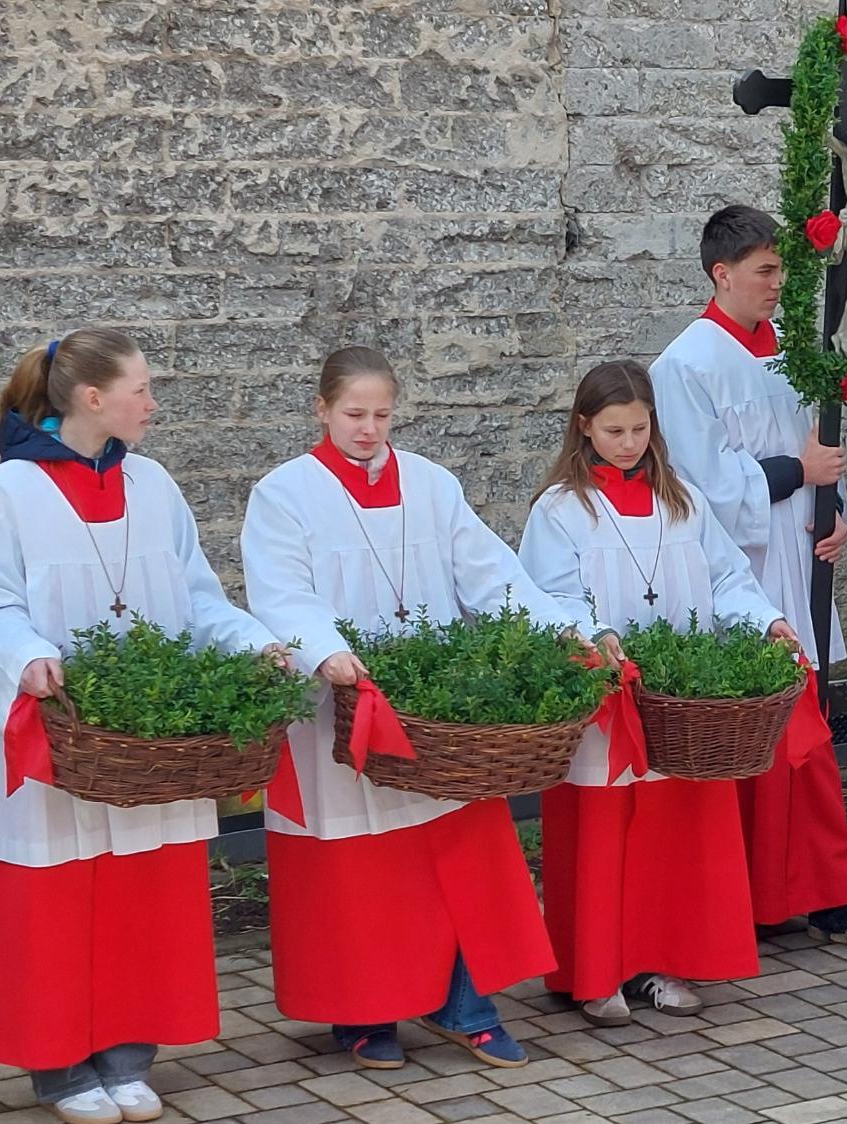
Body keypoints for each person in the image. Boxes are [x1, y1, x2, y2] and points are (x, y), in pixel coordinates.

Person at [0, 328, 287, 1124]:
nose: (153, 403)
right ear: (93, 399)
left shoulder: (155, 485)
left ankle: (128, 1058)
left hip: (144, 745)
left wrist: (256, 641)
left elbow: (196, 596)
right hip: (58, 727)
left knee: (141, 893)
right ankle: (60, 1070)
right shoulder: (8, 494)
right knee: (56, 899)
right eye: (141, 388)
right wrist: (25, 657)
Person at [240, 348, 580, 1070]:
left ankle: (466, 1006)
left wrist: (562, 633)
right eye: (354, 414)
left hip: (435, 708)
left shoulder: (431, 483)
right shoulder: (284, 493)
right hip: (339, 701)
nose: (368, 429)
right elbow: (281, 592)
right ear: (322, 410)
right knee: (358, 872)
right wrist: (326, 651)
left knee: (453, 857)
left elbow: (489, 574)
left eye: (382, 415)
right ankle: (364, 1014)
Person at [651, 204, 847, 954]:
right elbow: (697, 489)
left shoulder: (794, 347)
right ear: (720, 273)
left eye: (781, 270)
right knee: (780, 740)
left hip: (800, 554)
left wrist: (835, 510)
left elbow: (823, 437)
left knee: (803, 733)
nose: (777, 284)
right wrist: (798, 472)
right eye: (765, 271)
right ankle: (801, 893)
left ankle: (802, 893)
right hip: (743, 574)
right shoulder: (685, 365)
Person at [521, 361, 794, 1026]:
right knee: (605, 833)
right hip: (604, 699)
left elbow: (728, 577)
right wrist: (595, 635)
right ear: (584, 427)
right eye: (613, 430)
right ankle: (595, 971)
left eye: (639, 428)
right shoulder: (561, 510)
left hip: (678, 702)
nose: (627, 442)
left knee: (670, 836)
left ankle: (660, 963)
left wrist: (767, 619)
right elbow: (546, 595)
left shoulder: (683, 500)